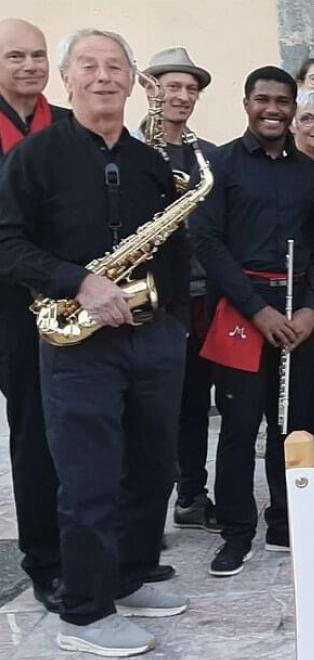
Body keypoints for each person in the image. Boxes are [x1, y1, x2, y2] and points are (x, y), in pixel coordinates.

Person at [0, 28, 191, 655]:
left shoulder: (150, 163)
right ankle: (83, 614)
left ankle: (130, 578)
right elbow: (8, 243)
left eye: (116, 66)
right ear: (67, 79)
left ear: (133, 81)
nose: (104, 77)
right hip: (77, 342)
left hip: (150, 336)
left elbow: (175, 248)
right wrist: (78, 282)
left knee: (153, 467)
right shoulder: (32, 157)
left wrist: (174, 326)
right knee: (89, 479)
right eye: (90, 66)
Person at [190, 66, 314, 577]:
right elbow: (207, 243)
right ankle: (235, 531)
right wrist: (258, 309)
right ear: (247, 102)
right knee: (238, 425)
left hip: (297, 314)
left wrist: (312, 309)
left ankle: (286, 521)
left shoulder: (311, 174)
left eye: (282, 101)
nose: (272, 109)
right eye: (263, 100)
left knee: (292, 423)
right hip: (241, 310)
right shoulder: (220, 164)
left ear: (294, 107)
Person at [0, 17, 71, 615]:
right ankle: (44, 559)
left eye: (38, 55)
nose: (30, 66)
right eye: (15, 56)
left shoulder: (67, 126)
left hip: (66, 295)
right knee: (32, 435)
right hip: (9, 302)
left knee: (77, 429)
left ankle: (92, 547)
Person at [136, 46, 222, 534]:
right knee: (150, 406)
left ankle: (191, 494)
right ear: (153, 90)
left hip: (202, 295)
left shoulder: (207, 155)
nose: (182, 96)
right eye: (173, 86)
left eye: (191, 89)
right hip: (153, 297)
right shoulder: (132, 149)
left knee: (193, 401)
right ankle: (148, 506)